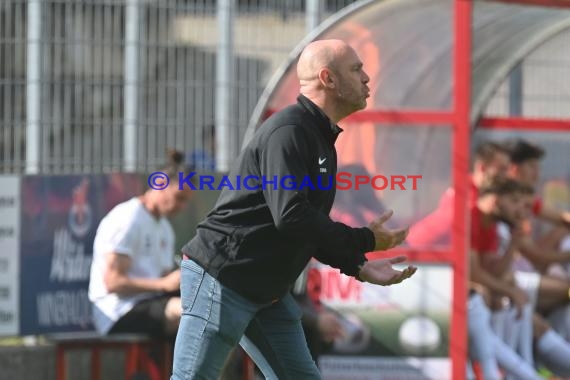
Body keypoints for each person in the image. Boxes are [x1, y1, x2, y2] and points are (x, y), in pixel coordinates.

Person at [170, 39, 417, 380]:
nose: (366, 78)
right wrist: (363, 239)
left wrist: (357, 264)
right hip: (223, 278)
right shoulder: (289, 131)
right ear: (328, 78)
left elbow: (306, 227)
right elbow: (291, 216)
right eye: (356, 69)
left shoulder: (319, 137)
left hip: (266, 291)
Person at [88, 149, 195, 339]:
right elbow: (112, 282)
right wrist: (163, 283)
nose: (182, 207)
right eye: (179, 198)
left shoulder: (164, 228)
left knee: (207, 309)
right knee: (191, 314)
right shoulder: (128, 218)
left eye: (186, 201)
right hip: (117, 311)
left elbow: (162, 281)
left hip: (151, 304)